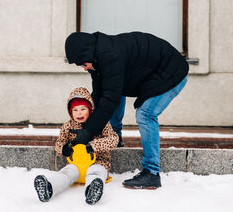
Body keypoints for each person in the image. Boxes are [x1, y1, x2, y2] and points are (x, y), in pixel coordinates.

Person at [64, 31, 188, 190]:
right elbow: (100, 94)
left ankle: (152, 173)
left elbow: (109, 100)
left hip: (172, 72)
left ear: (86, 53)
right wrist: (83, 128)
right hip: (157, 70)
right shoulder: (97, 59)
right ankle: (115, 135)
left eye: (82, 64)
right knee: (114, 90)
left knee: (146, 114)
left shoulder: (110, 56)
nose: (83, 68)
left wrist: (87, 133)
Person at [34, 87, 118, 205]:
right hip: (75, 164)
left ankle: (93, 190)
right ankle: (49, 188)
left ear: (90, 109)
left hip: (98, 161)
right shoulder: (67, 127)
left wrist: (93, 146)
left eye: (83, 109)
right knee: (66, 174)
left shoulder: (101, 124)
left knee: (96, 172)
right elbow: (59, 143)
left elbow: (114, 139)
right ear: (70, 112)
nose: (79, 113)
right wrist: (63, 149)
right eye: (75, 110)